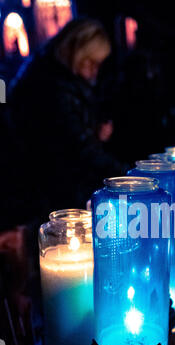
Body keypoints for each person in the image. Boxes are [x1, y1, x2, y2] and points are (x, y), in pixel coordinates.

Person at [8, 18, 126, 223]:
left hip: (57, 185)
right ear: (78, 51)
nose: (95, 71)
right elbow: (72, 147)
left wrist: (94, 132)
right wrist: (125, 175)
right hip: (46, 192)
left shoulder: (65, 78)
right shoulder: (50, 85)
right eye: (92, 62)